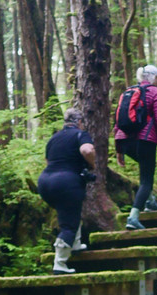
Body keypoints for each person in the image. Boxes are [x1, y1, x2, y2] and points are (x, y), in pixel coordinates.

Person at [37, 108, 96, 275]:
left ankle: (75, 244)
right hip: (66, 182)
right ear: (79, 122)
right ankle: (60, 264)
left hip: (45, 182)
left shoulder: (54, 138)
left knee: (71, 213)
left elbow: (48, 159)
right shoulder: (80, 134)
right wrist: (92, 165)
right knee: (68, 224)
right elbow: (87, 150)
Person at [114, 65, 157, 230]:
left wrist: (119, 150)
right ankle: (133, 217)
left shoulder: (127, 92)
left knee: (145, 169)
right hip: (145, 140)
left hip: (125, 141)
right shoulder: (156, 92)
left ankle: (150, 201)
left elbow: (117, 121)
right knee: (147, 179)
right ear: (153, 77)